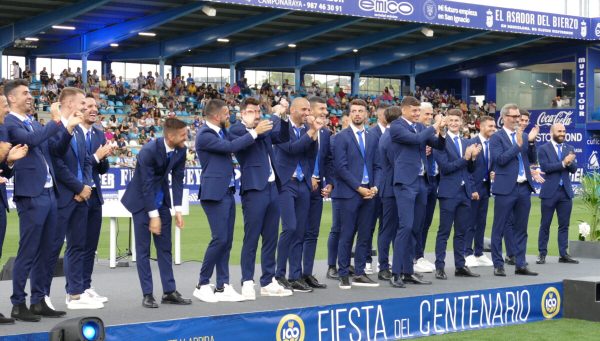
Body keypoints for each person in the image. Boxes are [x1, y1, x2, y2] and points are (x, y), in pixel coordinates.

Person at [5, 79, 78, 322]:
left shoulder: (34, 122)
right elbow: (34, 141)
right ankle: (18, 303)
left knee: (48, 250)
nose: (30, 96)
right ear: (11, 98)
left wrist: (66, 129)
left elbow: (54, 148)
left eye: (30, 93)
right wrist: (57, 119)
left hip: (49, 192)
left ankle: (38, 299)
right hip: (31, 194)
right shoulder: (10, 123)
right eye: (25, 93)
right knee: (28, 250)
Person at [194, 99, 270, 303]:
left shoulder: (222, 131)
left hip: (227, 191)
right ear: (217, 115)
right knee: (219, 238)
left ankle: (223, 285)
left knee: (226, 241)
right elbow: (231, 146)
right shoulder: (205, 135)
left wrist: (255, 126)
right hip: (213, 193)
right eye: (227, 112)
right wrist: (255, 132)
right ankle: (202, 283)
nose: (230, 115)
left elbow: (236, 137)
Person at [121, 118, 192, 308]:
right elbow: (145, 186)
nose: (187, 138)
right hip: (141, 203)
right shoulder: (148, 151)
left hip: (161, 200)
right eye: (183, 134)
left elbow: (178, 179)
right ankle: (147, 294)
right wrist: (153, 216)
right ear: (170, 136)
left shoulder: (181, 149)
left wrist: (177, 209)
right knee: (143, 250)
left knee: (165, 248)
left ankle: (169, 291)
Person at [229, 97, 292, 300]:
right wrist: (261, 126)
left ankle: (267, 280)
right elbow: (241, 144)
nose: (256, 115)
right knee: (252, 237)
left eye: (258, 111)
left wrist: (281, 116)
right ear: (242, 113)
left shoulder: (262, 130)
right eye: (251, 112)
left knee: (271, 237)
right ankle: (247, 280)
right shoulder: (236, 130)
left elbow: (282, 137)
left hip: (273, 187)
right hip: (254, 189)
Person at [47, 87, 99, 310]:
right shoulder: (57, 129)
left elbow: (87, 160)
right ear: (69, 104)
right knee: (52, 247)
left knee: (78, 246)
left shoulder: (79, 130)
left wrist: (86, 185)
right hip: (63, 197)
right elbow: (57, 164)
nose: (85, 108)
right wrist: (78, 187)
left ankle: (75, 294)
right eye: (81, 104)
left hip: (82, 196)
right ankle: (42, 295)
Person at [388, 96, 446, 288]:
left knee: (416, 228)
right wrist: (434, 125)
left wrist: (442, 131)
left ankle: (408, 271)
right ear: (404, 110)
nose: (417, 114)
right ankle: (395, 273)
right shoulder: (397, 126)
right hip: (405, 182)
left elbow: (438, 145)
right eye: (414, 111)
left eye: (418, 111)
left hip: (422, 182)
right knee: (405, 226)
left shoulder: (420, 127)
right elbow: (416, 140)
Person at [273, 97, 321, 293]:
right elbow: (292, 149)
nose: (307, 113)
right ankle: (279, 274)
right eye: (303, 109)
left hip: (303, 183)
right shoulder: (282, 127)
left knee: (300, 231)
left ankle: (295, 275)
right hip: (286, 182)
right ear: (292, 110)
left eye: (309, 109)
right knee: (290, 227)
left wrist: (313, 134)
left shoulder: (306, 131)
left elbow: (311, 154)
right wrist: (312, 131)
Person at [333, 99, 381, 289]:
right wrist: (358, 187)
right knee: (347, 234)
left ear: (366, 114)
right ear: (350, 114)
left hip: (369, 192)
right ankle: (344, 273)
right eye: (354, 111)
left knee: (365, 235)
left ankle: (360, 273)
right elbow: (340, 168)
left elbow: (378, 165)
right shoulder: (341, 137)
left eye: (361, 111)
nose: (358, 114)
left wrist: (375, 186)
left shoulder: (372, 137)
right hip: (350, 193)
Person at [489, 103, 538, 277]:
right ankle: (498, 264)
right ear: (504, 118)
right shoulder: (497, 137)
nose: (518, 119)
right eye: (514, 117)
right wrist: (517, 145)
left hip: (524, 187)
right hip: (505, 189)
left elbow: (532, 159)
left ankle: (520, 263)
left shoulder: (523, 136)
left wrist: (530, 142)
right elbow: (499, 160)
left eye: (519, 116)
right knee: (499, 227)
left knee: (521, 228)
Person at [432, 109, 480, 280]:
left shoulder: (467, 142)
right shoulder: (440, 143)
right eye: (451, 120)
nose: (454, 123)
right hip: (448, 192)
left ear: (462, 123)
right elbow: (445, 168)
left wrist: (473, 159)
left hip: (464, 192)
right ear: (446, 122)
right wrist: (466, 158)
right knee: (444, 231)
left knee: (462, 232)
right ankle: (439, 266)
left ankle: (460, 265)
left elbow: (471, 170)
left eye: (456, 120)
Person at [79, 96, 112, 303]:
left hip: (95, 196)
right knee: (77, 244)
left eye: (95, 107)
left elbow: (101, 169)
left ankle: (86, 285)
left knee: (91, 245)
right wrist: (98, 156)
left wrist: (105, 156)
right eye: (89, 106)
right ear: (79, 109)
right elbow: (79, 164)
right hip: (78, 195)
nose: (94, 109)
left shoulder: (99, 134)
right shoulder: (72, 133)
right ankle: (74, 289)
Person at [0, 94, 28, 325]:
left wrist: (9, 162)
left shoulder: (1, 132)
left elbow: (4, 174)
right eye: (2, 105)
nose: (6, 109)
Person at [536, 123, 579, 265]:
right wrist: (563, 163)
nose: (562, 133)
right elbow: (545, 168)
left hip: (565, 192)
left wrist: (569, 162)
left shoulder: (569, 148)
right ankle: (542, 254)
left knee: (564, 225)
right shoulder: (543, 149)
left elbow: (573, 169)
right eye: (559, 131)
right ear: (552, 132)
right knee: (545, 224)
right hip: (550, 192)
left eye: (564, 131)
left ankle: (563, 254)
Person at [302, 96, 333, 289]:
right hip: (301, 186)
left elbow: (328, 161)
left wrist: (329, 183)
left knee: (312, 233)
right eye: (321, 108)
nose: (325, 112)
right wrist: (309, 177)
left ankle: (307, 273)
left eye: (325, 109)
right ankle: (292, 274)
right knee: (297, 232)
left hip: (318, 189)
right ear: (311, 110)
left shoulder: (327, 133)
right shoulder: (301, 130)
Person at [464, 116, 496, 268]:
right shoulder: (471, 143)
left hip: (485, 187)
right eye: (490, 126)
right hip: (474, 188)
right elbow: (466, 169)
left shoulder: (492, 144)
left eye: (494, 126)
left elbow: (490, 165)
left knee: (481, 222)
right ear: (481, 127)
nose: (493, 128)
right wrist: (471, 188)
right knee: (470, 221)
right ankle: (467, 253)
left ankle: (479, 252)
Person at [376, 106, 402, 283]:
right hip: (390, 188)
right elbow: (396, 162)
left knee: (392, 227)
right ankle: (383, 266)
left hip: (392, 187)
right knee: (387, 228)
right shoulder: (390, 137)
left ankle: (391, 264)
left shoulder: (389, 135)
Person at [325, 113, 350, 280]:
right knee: (337, 228)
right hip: (340, 189)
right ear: (342, 122)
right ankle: (332, 266)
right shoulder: (335, 139)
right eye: (347, 120)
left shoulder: (361, 139)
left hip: (354, 190)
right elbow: (332, 165)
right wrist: (332, 184)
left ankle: (344, 262)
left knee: (349, 229)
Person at [365, 104, 388, 275]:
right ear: (379, 114)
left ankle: (383, 262)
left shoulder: (394, 132)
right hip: (374, 187)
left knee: (386, 226)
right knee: (369, 225)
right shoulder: (371, 134)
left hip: (390, 188)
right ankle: (366, 259)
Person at [414, 102, 437, 273]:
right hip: (418, 181)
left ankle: (420, 255)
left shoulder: (431, 133)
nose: (429, 117)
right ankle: (414, 256)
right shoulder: (416, 131)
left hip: (433, 180)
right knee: (417, 221)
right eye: (426, 114)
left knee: (427, 222)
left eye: (431, 114)